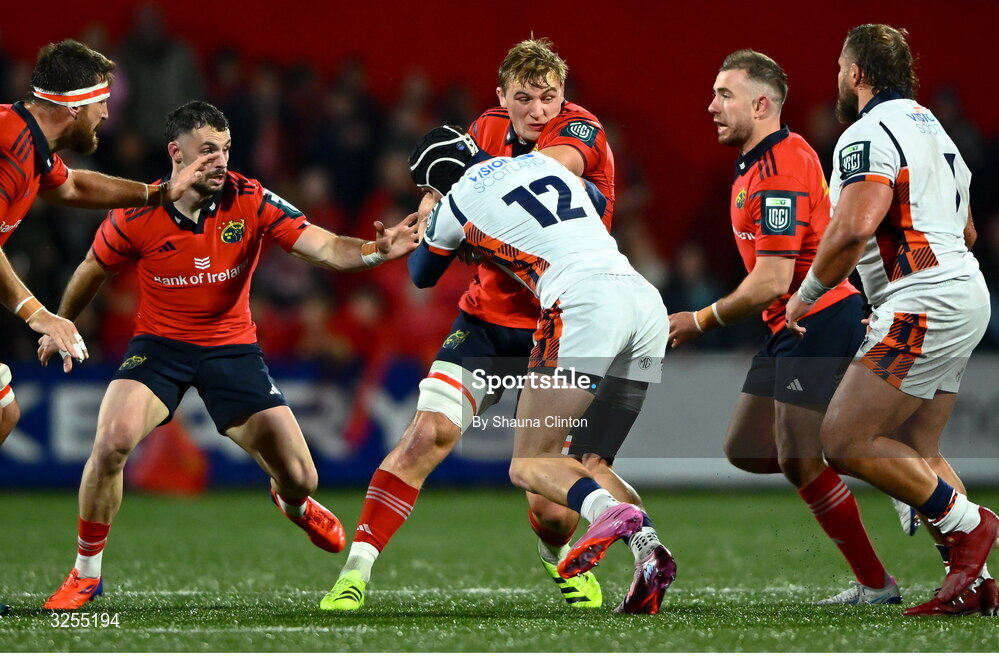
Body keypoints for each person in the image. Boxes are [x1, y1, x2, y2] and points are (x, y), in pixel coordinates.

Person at [320, 39, 671, 615]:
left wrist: (446, 204)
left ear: (565, 99)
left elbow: (528, 185)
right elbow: (456, 189)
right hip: (492, 320)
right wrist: (440, 200)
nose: (538, 112)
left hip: (567, 319)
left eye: (549, 99)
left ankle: (561, 552)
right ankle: (355, 574)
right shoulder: (481, 131)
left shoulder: (578, 132)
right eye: (525, 99)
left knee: (551, 500)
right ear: (501, 97)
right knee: (424, 435)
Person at [40, 101, 419, 610]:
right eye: (207, 152)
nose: (220, 161)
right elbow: (91, 268)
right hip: (159, 348)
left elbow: (325, 247)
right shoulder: (137, 211)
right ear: (176, 154)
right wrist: (59, 320)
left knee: (303, 477)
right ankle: (86, 574)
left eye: (225, 149)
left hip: (231, 348)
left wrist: (375, 251)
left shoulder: (250, 197)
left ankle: (292, 503)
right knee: (110, 443)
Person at [785, 24, 999, 616]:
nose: (836, 78)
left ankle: (970, 524)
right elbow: (968, 231)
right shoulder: (940, 135)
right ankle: (976, 585)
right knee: (915, 444)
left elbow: (855, 226)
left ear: (857, 73)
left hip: (924, 297)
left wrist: (805, 294)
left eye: (839, 66)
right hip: (962, 289)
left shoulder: (866, 133)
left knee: (843, 438)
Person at [668, 50, 900, 605]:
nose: (712, 106)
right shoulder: (753, 163)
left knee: (800, 457)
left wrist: (699, 320)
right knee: (746, 448)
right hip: (787, 327)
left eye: (726, 95)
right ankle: (882, 467)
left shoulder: (780, 168)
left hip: (818, 318)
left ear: (763, 103)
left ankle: (878, 581)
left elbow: (773, 280)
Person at [419, 125, 674, 609]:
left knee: (531, 461)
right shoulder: (541, 162)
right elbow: (597, 203)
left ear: (434, 183)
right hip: (643, 303)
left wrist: (434, 219)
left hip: (583, 306)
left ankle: (610, 514)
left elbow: (421, 274)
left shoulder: (455, 198)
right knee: (592, 462)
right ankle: (649, 552)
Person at [0, 40, 215, 448]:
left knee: (3, 411)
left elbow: (74, 184)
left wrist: (160, 194)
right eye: (102, 101)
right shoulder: (11, 147)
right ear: (73, 108)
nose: (107, 114)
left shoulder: (27, 142)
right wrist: (39, 315)